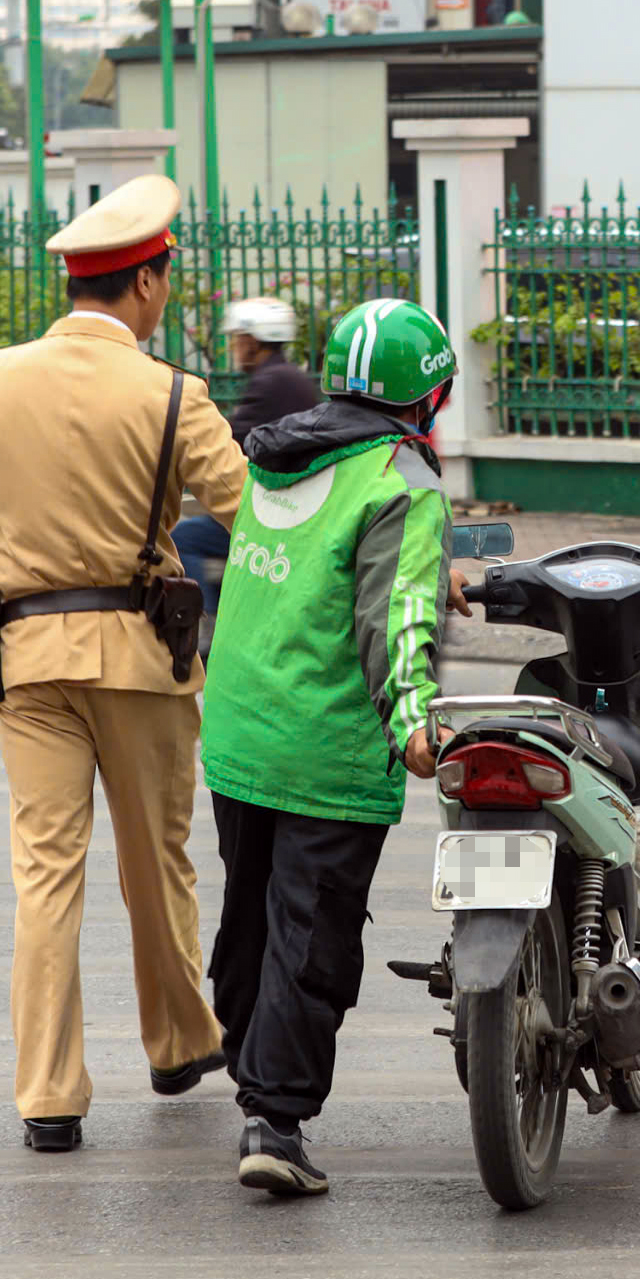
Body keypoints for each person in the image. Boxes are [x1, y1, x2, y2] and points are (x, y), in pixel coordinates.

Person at [0, 173, 249, 1154]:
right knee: (156, 859)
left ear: (75, 283)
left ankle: (49, 1093)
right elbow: (250, 511)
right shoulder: (173, 395)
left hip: (27, 657)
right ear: (147, 284)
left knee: (44, 871)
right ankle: (177, 1037)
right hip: (144, 659)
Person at [201, 298, 469, 1198]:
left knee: (250, 912)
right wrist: (415, 720)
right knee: (310, 935)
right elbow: (394, 613)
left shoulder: (282, 451)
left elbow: (322, 568)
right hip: (325, 742)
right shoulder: (401, 477)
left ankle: (247, 1065)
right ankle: (274, 1119)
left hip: (240, 729)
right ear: (426, 398)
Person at [170, 297, 322, 615]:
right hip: (297, 505)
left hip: (276, 513)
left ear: (253, 341)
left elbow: (229, 443)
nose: (235, 347)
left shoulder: (270, 383)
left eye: (238, 339)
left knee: (184, 538)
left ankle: (202, 627)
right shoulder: (291, 377)